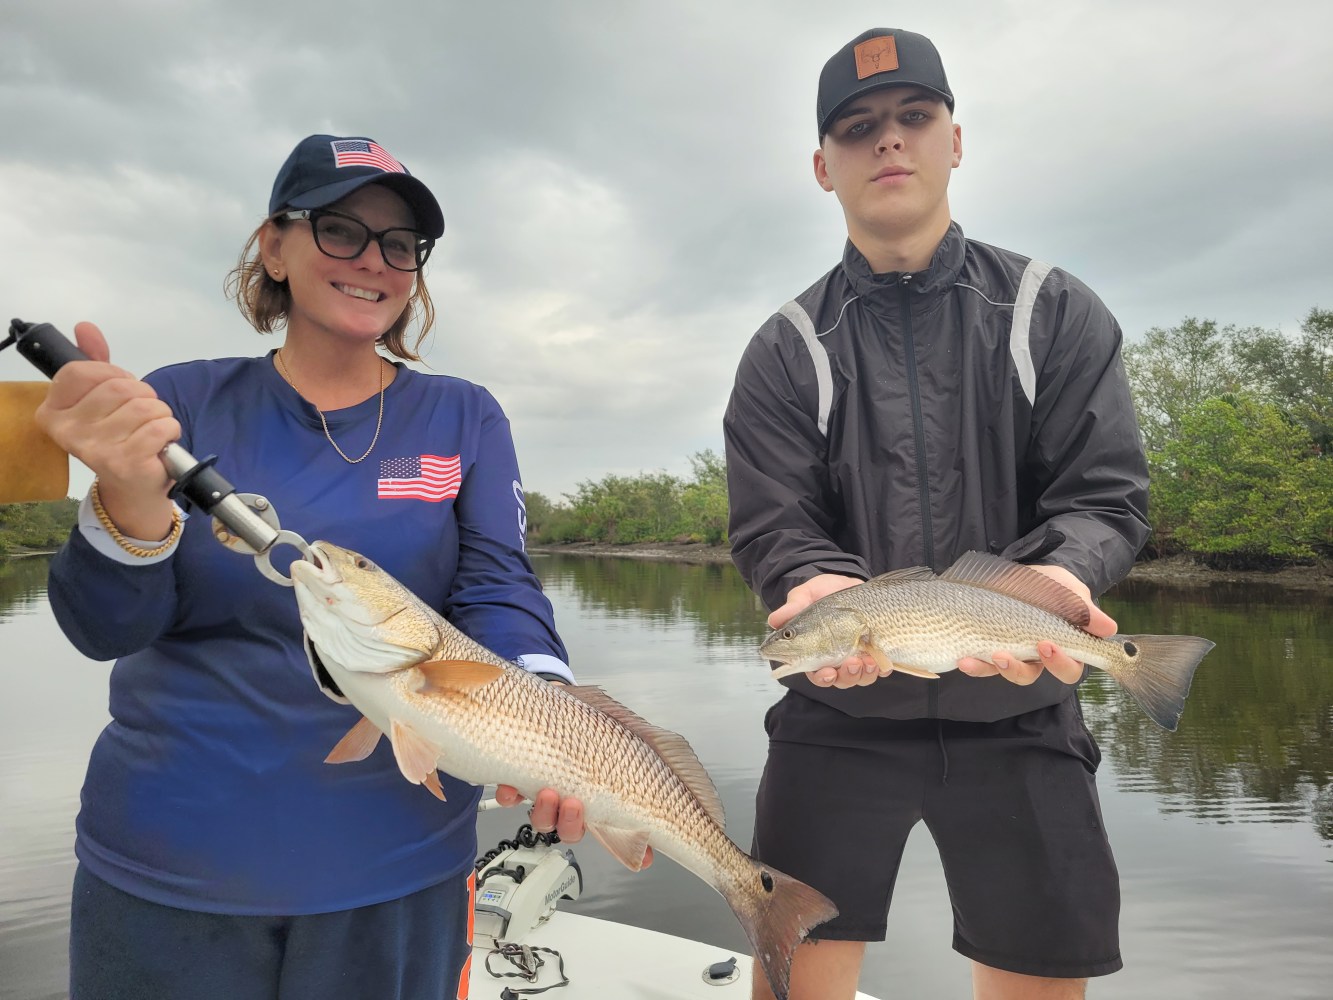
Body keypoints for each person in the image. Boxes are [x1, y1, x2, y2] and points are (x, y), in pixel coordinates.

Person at [36, 134, 588, 999]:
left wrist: (543, 700)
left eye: (399, 245)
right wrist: (128, 498)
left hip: (397, 861)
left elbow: (495, 582)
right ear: (274, 245)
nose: (373, 260)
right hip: (174, 864)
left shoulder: (463, 415)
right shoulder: (179, 402)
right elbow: (104, 628)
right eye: (340, 230)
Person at [723, 29, 1149, 1000]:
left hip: (1021, 701)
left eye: (914, 117)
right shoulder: (785, 350)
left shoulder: (1052, 311)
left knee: (1042, 975)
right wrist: (812, 592)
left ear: (955, 139)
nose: (889, 143)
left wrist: (1058, 582)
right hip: (836, 709)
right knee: (790, 977)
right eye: (858, 127)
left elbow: (1103, 493)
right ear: (821, 166)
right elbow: (776, 526)